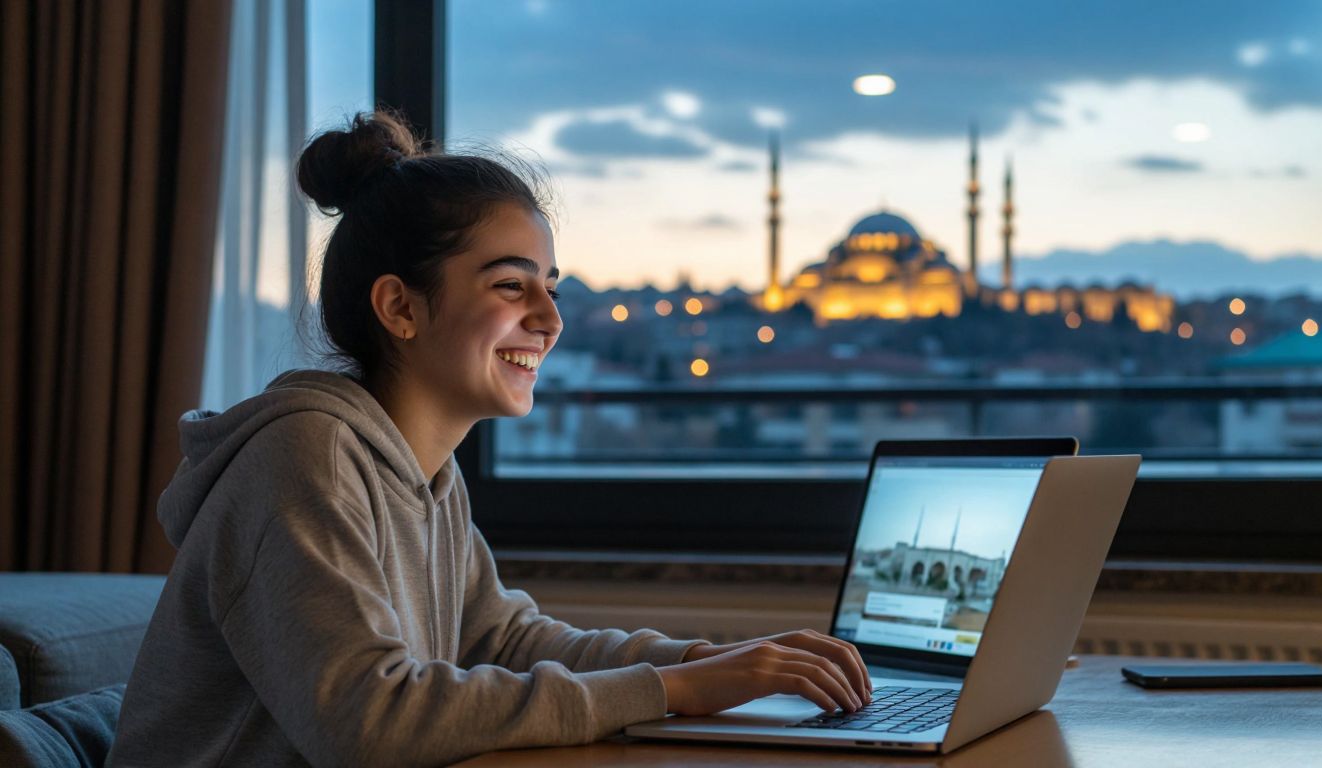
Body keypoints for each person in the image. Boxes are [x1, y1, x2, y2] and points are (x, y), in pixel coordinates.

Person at [108, 111, 870, 768]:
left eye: (551, 285)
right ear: (400, 308)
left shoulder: (425, 474)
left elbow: (502, 642)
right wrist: (672, 690)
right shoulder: (302, 457)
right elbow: (369, 721)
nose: (551, 317)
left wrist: (711, 662)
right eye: (512, 285)